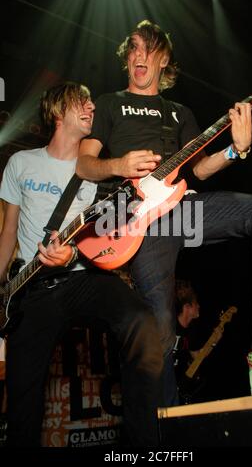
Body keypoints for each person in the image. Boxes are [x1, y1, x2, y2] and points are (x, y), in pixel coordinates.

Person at [76, 20, 252, 400]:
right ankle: (161, 432)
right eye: (132, 47)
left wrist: (235, 149)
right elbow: (84, 164)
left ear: (163, 59)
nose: (138, 54)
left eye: (148, 48)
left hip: (183, 210)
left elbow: (198, 169)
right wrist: (119, 165)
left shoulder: (179, 113)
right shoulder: (111, 103)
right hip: (139, 221)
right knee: (161, 329)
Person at [0, 81, 163, 447]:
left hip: (81, 276)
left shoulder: (96, 173)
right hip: (31, 290)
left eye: (92, 101)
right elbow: (7, 234)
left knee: (141, 321)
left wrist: (73, 254)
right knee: (22, 400)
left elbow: (102, 240)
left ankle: (144, 445)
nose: (92, 107)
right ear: (58, 111)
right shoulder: (20, 163)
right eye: (83, 102)